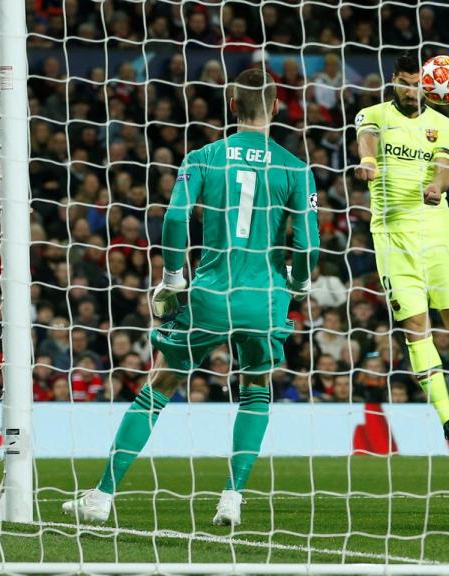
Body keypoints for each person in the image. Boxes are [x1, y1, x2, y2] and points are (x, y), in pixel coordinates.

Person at [62, 68, 320, 526]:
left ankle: (102, 496)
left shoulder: (203, 157)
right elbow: (308, 243)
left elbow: (177, 218)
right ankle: (233, 496)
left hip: (209, 296)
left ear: (233, 104)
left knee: (159, 387)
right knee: (257, 389)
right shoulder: (295, 168)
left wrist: (174, 277)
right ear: (276, 108)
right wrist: (297, 284)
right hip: (265, 299)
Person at [354, 52, 449, 457]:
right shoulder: (374, 114)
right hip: (393, 235)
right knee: (416, 325)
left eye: (417, 83)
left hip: (437, 233)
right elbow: (368, 139)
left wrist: (437, 186)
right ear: (394, 81)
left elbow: (445, 168)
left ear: (429, 84)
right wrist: (366, 160)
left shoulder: (443, 124)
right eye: (404, 82)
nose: (411, 89)